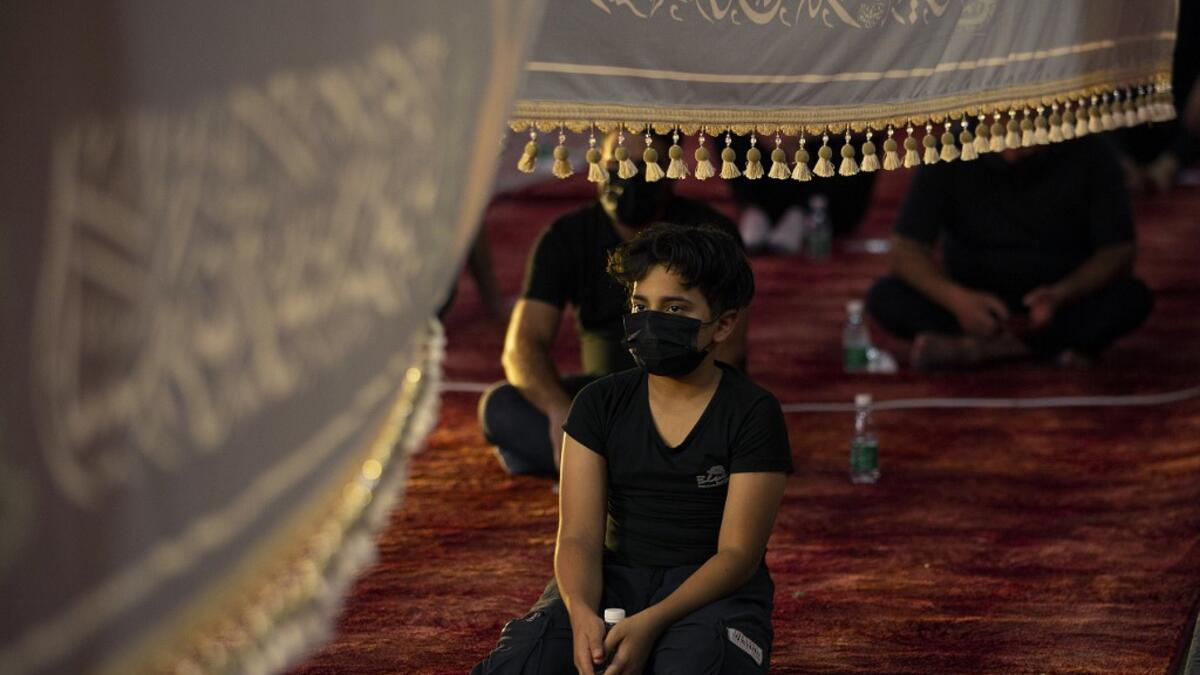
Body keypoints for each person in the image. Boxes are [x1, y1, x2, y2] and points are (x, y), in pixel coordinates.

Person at [471, 223, 792, 675]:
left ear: (723, 324)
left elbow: (737, 557)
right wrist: (582, 611)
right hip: (613, 579)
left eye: (675, 308)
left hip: (710, 589)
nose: (650, 321)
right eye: (641, 305)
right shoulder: (598, 404)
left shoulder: (752, 413)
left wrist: (650, 623)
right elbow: (579, 537)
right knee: (524, 662)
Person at [478, 133, 747, 477]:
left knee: (742, 422)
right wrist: (560, 412)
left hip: (689, 396)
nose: (628, 176)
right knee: (502, 407)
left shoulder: (710, 235)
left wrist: (679, 412)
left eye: (645, 166)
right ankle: (638, 464)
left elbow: (729, 349)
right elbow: (523, 345)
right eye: (617, 165)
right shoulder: (567, 236)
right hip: (605, 397)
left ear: (672, 171)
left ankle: (600, 464)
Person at [865, 136, 1153, 371]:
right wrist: (958, 300)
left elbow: (1118, 251)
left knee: (1131, 297)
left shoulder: (1089, 150)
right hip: (973, 302)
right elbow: (905, 249)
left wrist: (1061, 294)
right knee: (886, 296)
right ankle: (1048, 348)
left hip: (1060, 301)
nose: (1013, 150)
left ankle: (987, 350)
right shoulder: (951, 147)